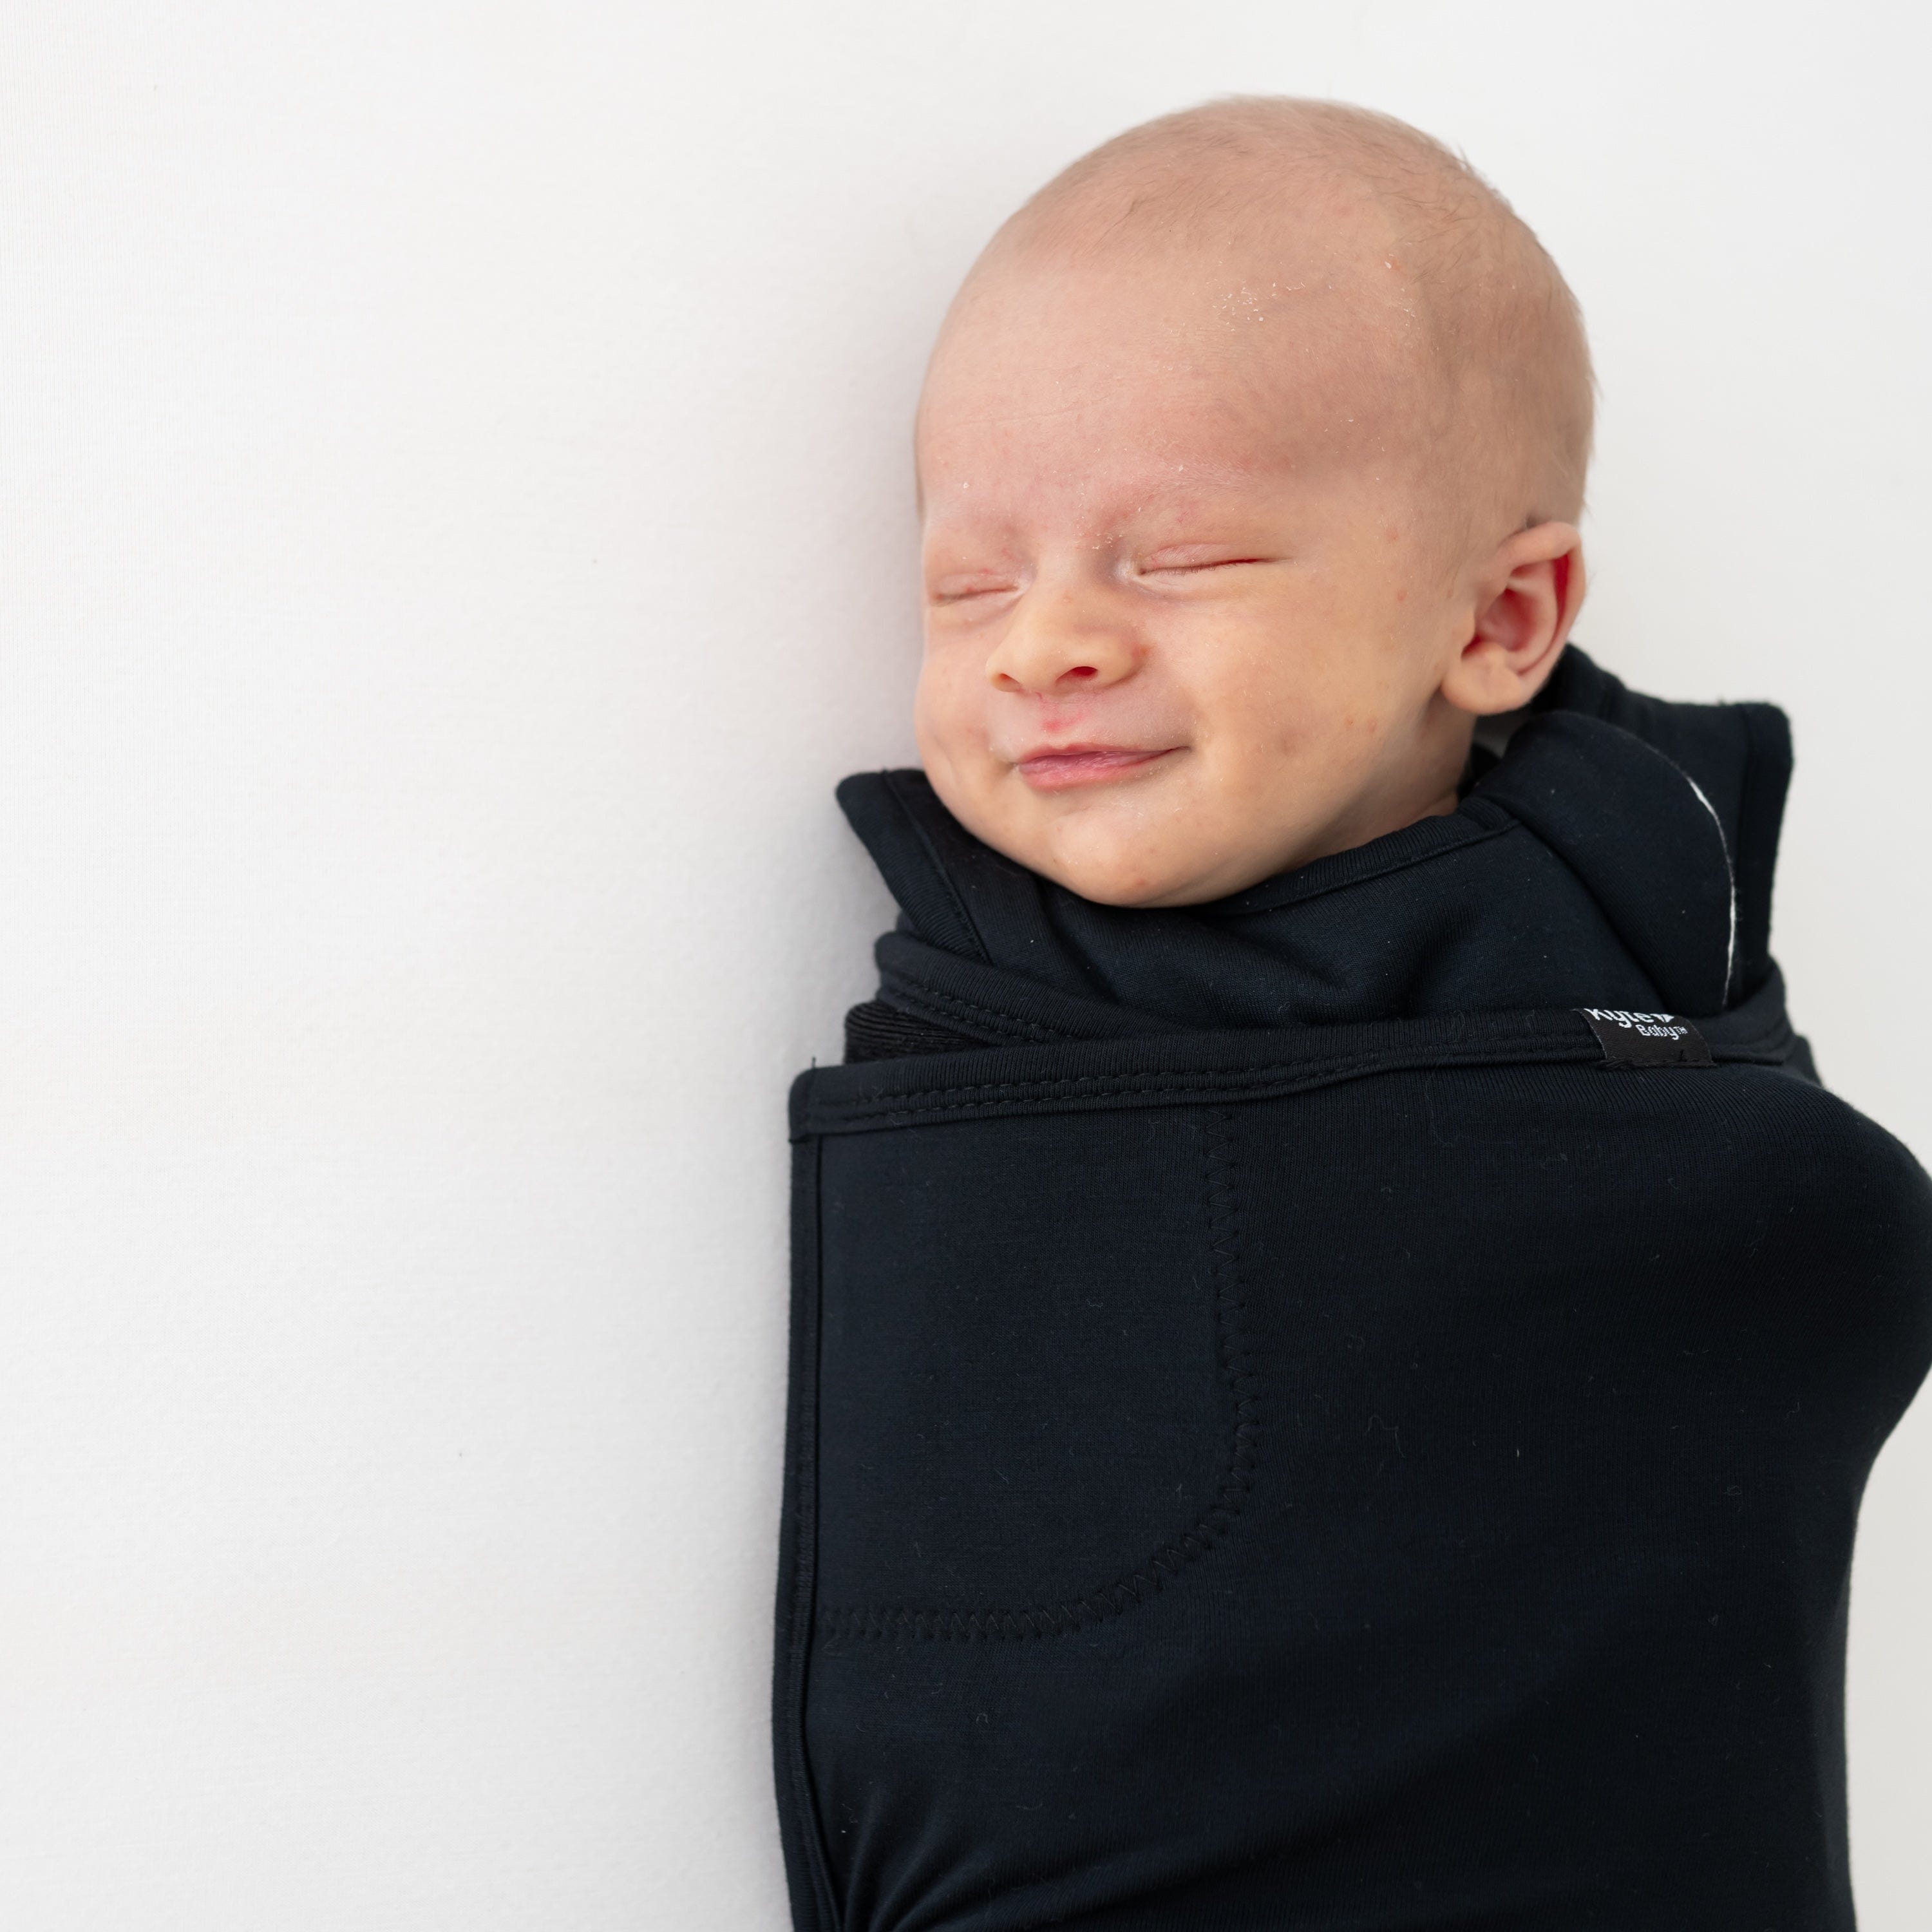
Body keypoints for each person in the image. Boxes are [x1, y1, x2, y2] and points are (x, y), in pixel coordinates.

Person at [773, 98, 1932, 1931]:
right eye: (968, 581)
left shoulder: (1651, 917)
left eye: (1179, 559)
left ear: (1503, 618)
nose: (1043, 643)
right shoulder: (1000, 1005)